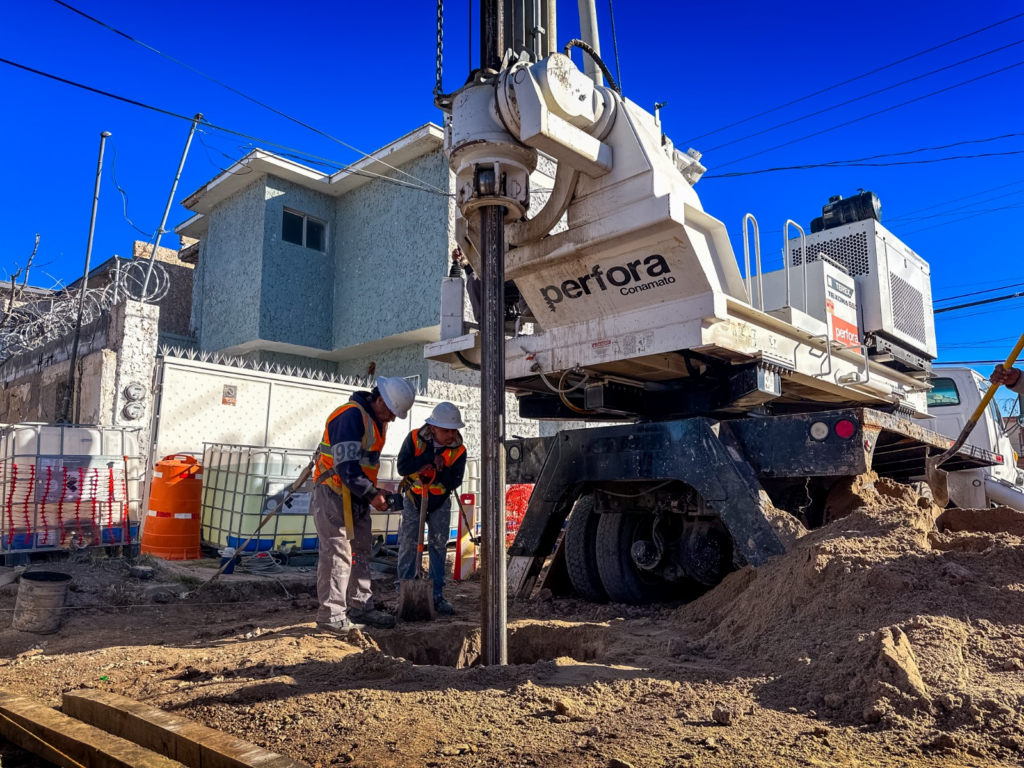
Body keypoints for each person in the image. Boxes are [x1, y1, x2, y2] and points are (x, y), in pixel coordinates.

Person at [311, 376, 417, 632]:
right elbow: (346, 466)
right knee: (337, 553)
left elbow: (363, 464)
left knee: (360, 551)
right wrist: (372, 494)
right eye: (391, 412)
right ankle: (331, 616)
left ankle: (361, 606)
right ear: (379, 400)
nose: (392, 419)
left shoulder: (375, 420)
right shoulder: (350, 416)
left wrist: (372, 492)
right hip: (333, 491)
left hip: (355, 494)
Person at [395, 402, 467, 616]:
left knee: (438, 545)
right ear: (433, 428)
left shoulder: (459, 450)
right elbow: (402, 467)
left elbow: (454, 482)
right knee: (408, 544)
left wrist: (438, 467)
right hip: (414, 498)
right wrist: (428, 459)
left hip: (440, 501)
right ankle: (404, 592)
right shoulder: (414, 439)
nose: (451, 435)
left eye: (454, 430)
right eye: (446, 430)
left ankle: (436, 595)